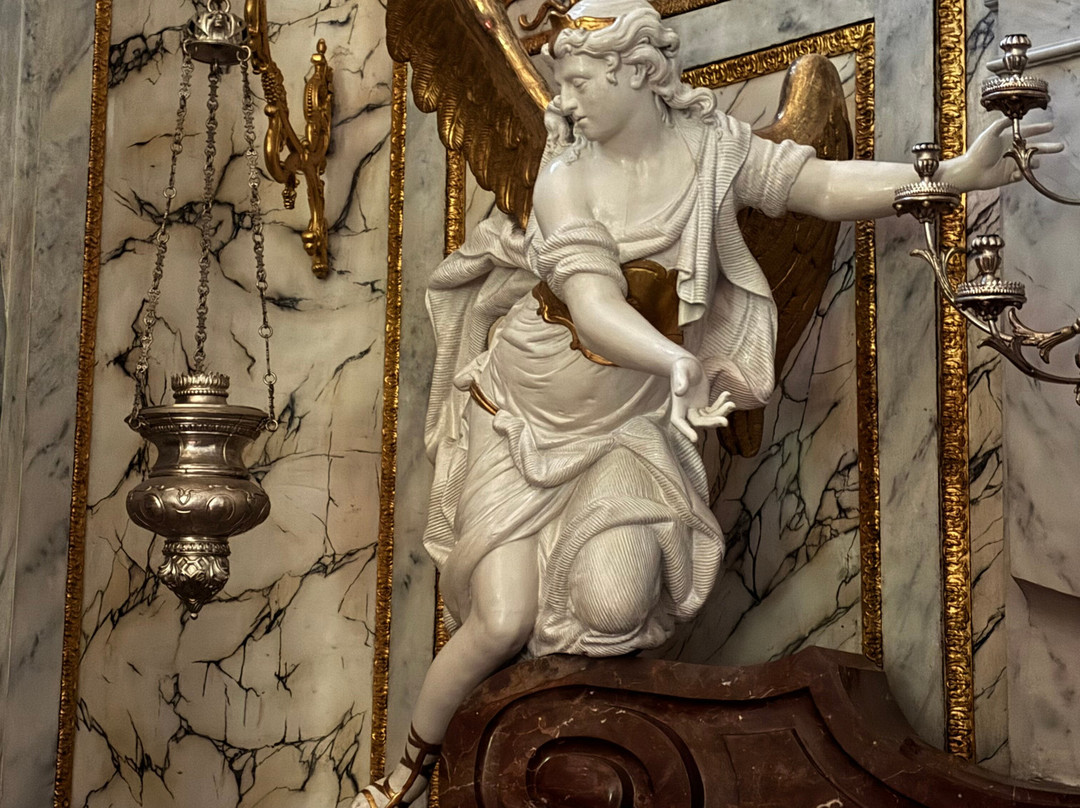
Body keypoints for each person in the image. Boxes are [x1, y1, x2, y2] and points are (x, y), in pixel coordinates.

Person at [356, 1, 1058, 805]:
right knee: (502, 620)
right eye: (559, 82)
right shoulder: (565, 174)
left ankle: (574, 759)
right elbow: (594, 307)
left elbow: (822, 184)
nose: (564, 102)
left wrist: (951, 177)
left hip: (624, 427)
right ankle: (408, 773)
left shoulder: (715, 150)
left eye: (579, 81)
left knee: (614, 604)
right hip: (522, 413)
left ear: (637, 71)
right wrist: (674, 362)